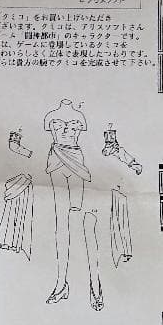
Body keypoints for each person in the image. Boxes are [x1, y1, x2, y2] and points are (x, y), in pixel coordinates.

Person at [44, 99, 103, 311]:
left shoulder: (80, 116)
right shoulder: (50, 115)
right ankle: (61, 284)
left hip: (76, 160)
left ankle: (95, 284)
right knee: (61, 224)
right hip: (57, 160)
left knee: (82, 221)